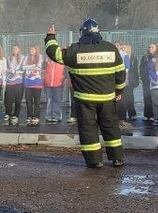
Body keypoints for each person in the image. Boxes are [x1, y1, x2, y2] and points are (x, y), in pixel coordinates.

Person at [45, 18, 126, 168]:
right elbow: (121, 74)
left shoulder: (75, 50)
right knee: (111, 128)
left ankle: (94, 161)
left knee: (88, 129)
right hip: (107, 98)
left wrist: (51, 37)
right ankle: (117, 159)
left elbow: (54, 53)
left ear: (82, 32)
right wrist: (118, 91)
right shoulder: (111, 49)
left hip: (85, 100)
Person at [21, 44, 44, 126]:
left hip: (37, 82)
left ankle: (36, 116)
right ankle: (29, 116)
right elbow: (23, 67)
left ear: (36, 50)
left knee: (37, 101)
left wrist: (30, 67)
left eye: (33, 50)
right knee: (28, 101)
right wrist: (32, 66)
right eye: (30, 49)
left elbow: (39, 67)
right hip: (28, 82)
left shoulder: (40, 57)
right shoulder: (26, 57)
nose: (31, 51)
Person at [4, 44, 25, 125]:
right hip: (10, 81)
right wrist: (10, 71)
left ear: (19, 49)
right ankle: (7, 113)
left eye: (16, 49)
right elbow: (5, 69)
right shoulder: (8, 58)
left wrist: (16, 72)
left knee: (18, 100)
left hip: (19, 81)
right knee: (8, 99)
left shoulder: (23, 57)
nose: (14, 50)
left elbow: (24, 69)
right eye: (13, 49)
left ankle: (16, 115)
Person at [43, 48, 65, 123]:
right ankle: (48, 115)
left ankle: (57, 116)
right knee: (49, 100)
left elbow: (65, 72)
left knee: (57, 100)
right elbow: (43, 70)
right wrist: (44, 81)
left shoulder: (62, 60)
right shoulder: (47, 60)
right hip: (48, 83)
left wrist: (62, 80)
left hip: (58, 84)